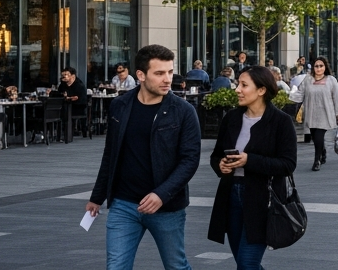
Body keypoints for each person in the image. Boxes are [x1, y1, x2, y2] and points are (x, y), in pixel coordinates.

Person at [86, 44, 201, 270]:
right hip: (124, 204)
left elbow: (190, 161)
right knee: (116, 266)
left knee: (176, 266)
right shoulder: (120, 105)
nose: (167, 79)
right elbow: (111, 153)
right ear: (140, 75)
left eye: (170, 72)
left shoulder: (183, 111)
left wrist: (161, 194)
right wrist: (97, 196)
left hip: (166, 207)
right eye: (159, 73)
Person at [207, 66, 297, 270]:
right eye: (238, 84)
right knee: (244, 262)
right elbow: (216, 155)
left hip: (262, 199)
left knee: (247, 263)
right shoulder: (231, 118)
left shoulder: (281, 122)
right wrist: (221, 165)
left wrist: (250, 160)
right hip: (231, 196)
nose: (237, 89)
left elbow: (288, 164)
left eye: (244, 85)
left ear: (262, 90)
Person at [298, 58, 338, 171]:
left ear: (325, 67)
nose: (318, 68)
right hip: (311, 113)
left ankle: (316, 160)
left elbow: (336, 98)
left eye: (321, 66)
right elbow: (300, 93)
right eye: (316, 66)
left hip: (325, 113)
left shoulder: (331, 80)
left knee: (319, 137)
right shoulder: (308, 79)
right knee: (315, 137)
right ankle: (322, 151)